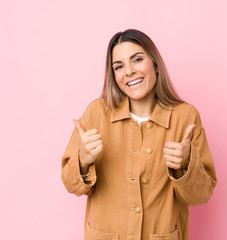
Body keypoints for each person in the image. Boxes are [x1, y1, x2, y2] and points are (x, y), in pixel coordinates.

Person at [61, 29, 217, 240]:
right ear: (114, 76)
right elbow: (72, 185)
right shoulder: (97, 114)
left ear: (155, 64)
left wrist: (186, 165)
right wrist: (82, 161)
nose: (129, 71)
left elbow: (201, 195)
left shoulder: (185, 117)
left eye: (137, 59)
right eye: (119, 66)